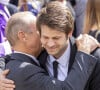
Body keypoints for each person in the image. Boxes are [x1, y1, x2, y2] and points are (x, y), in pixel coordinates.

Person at [0, 1, 100, 90]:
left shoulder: (93, 56)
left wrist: (83, 53)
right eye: (45, 37)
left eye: (56, 38)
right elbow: (13, 57)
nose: (50, 44)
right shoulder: (38, 55)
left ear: (69, 32)